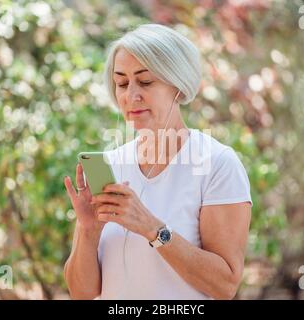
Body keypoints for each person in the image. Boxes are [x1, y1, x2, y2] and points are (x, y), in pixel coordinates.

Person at [63, 23, 252, 300]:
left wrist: (152, 229)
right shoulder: (111, 164)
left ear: (177, 84)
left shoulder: (217, 164)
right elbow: (82, 293)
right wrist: (88, 230)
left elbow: (225, 285)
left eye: (146, 81)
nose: (131, 96)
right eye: (122, 83)